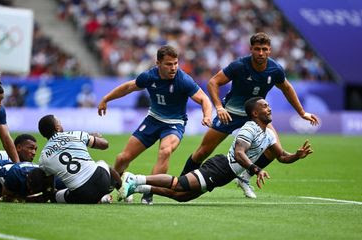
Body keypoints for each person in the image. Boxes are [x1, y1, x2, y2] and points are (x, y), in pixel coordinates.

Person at [179, 32, 319, 198]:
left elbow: (287, 88)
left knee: (274, 149)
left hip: (256, 116)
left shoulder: (275, 69)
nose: (261, 53)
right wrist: (219, 107)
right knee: (203, 151)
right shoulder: (239, 65)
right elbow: (213, 82)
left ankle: (244, 178)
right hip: (230, 113)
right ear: (251, 49)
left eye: (264, 49)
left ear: (270, 51)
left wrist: (302, 113)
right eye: (257, 49)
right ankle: (181, 183)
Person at [119, 97, 313, 202]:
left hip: (226, 174)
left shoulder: (269, 134)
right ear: (255, 113)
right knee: (179, 184)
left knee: (181, 197)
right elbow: (239, 153)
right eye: (264, 106)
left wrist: (297, 155)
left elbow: (282, 157)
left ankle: (139, 187)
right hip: (220, 167)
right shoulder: (249, 128)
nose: (269, 108)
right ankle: (134, 178)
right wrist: (256, 170)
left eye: (269, 106)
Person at [97, 45, 212, 204]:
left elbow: (204, 99)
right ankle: (111, 188)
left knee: (165, 151)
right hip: (153, 119)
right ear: (158, 63)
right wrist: (106, 99)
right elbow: (129, 87)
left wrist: (207, 115)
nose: (173, 68)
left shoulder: (183, 80)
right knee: (123, 157)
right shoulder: (149, 76)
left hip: (174, 123)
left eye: (175, 63)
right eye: (168, 64)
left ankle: (148, 192)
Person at [38, 114, 122, 204]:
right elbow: (104, 145)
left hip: (81, 196)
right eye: (60, 123)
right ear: (57, 127)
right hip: (101, 182)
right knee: (102, 163)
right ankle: (122, 189)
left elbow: (49, 187)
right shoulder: (75, 134)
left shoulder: (43, 157)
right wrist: (96, 137)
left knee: (54, 196)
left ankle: (100, 199)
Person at [0, 134, 61, 202]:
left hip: (3, 185)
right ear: (18, 147)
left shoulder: (32, 169)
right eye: (31, 148)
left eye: (35, 149)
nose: (34, 153)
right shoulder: (1, 155)